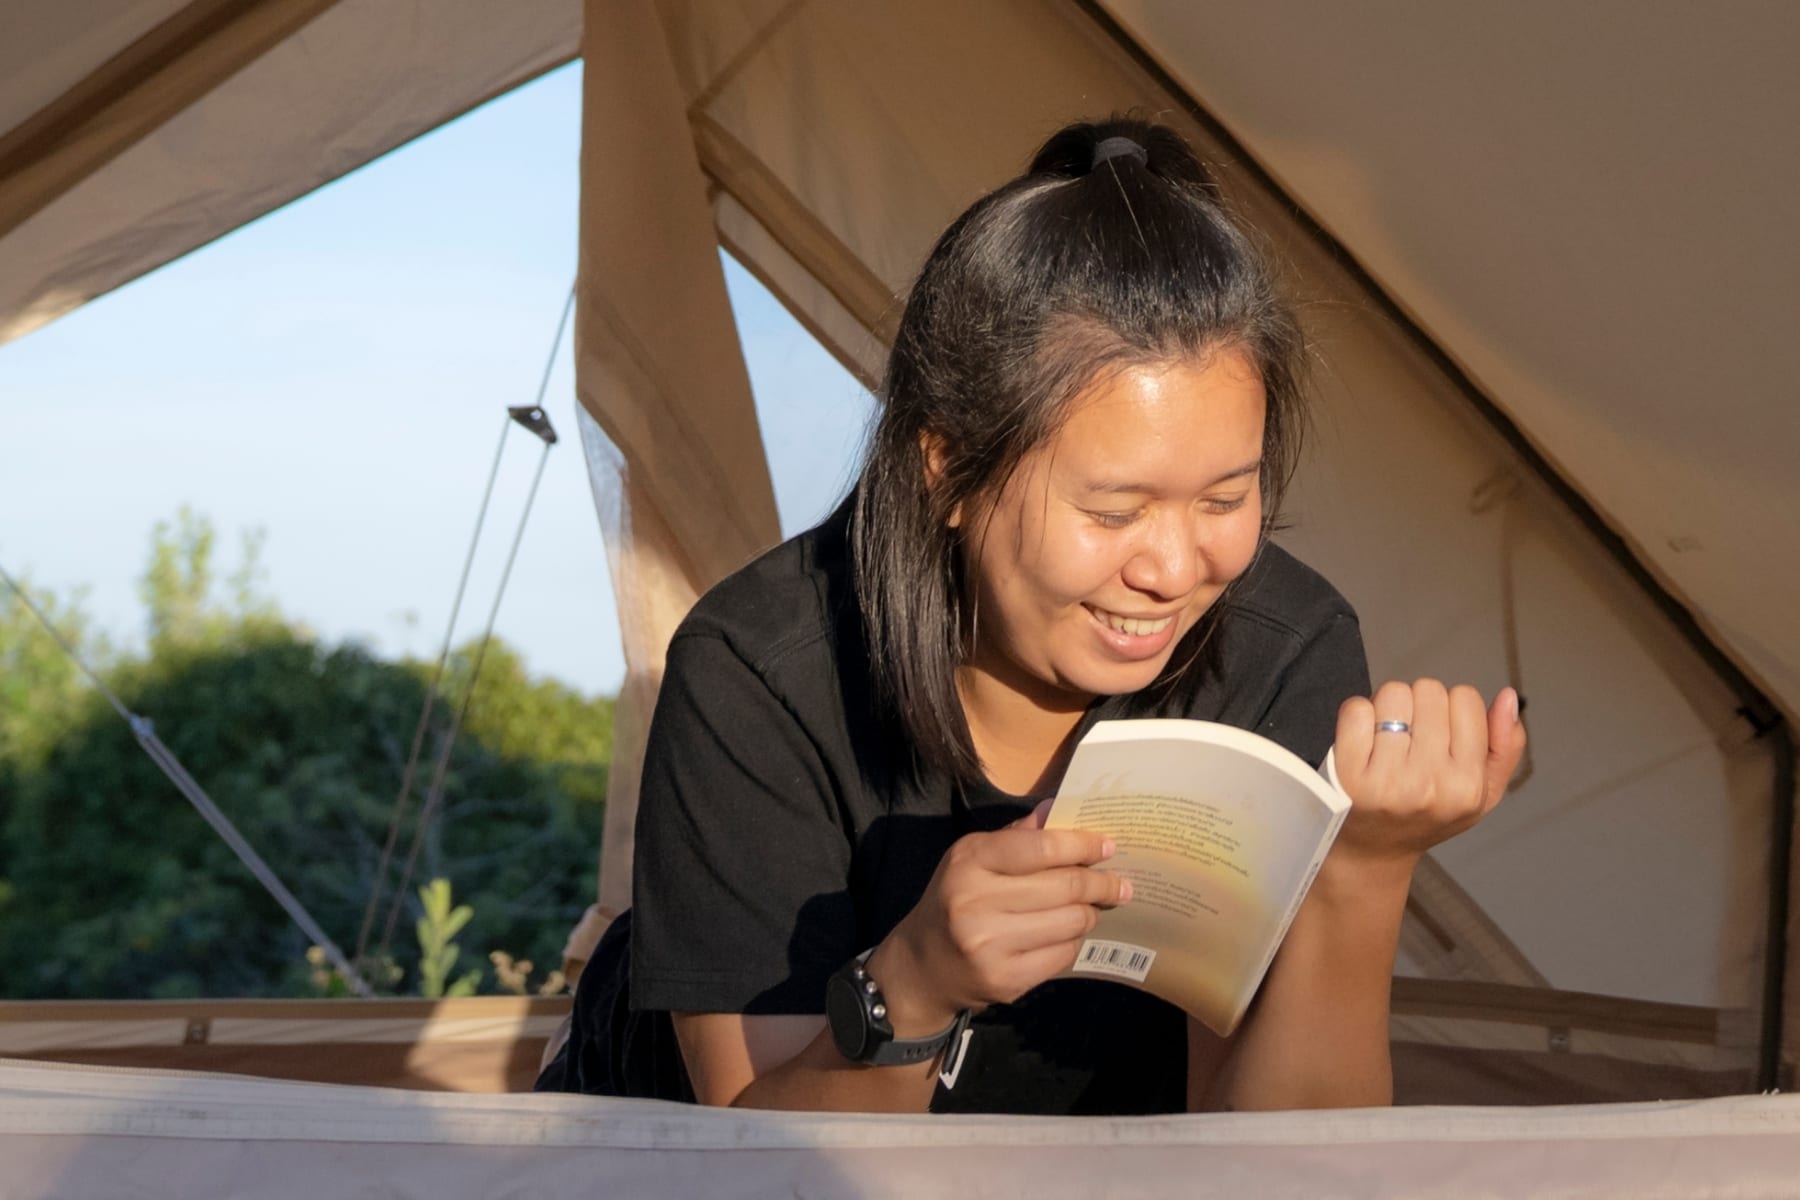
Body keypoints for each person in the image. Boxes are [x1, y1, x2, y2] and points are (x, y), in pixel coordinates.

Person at [544, 115, 1526, 1115]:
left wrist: (1362, 869)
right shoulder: (759, 676)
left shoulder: (1285, 649)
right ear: (948, 473)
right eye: (1114, 511)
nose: (1177, 568)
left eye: (1227, 500)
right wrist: (911, 986)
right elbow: (761, 1167)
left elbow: (1282, 1166)